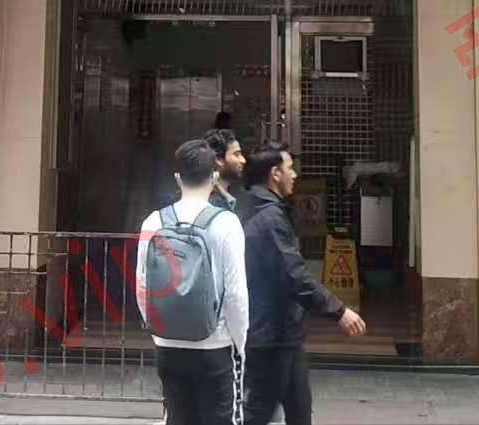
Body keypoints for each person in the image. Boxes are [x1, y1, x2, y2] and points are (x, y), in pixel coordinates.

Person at [238, 143, 363, 425]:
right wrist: (339, 311)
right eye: (290, 168)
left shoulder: (256, 207)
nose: (294, 175)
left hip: (283, 332)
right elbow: (293, 275)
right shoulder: (268, 217)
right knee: (258, 411)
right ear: (275, 174)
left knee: (299, 408)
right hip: (270, 332)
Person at [135, 139, 248, 425]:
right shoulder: (227, 223)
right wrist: (240, 343)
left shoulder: (153, 222)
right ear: (214, 177)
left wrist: (159, 331)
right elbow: (236, 294)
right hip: (215, 346)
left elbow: (142, 286)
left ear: (178, 177)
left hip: (168, 347)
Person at [205, 128, 246, 212]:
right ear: (218, 159)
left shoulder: (240, 195)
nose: (243, 160)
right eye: (236, 154)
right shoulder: (207, 201)